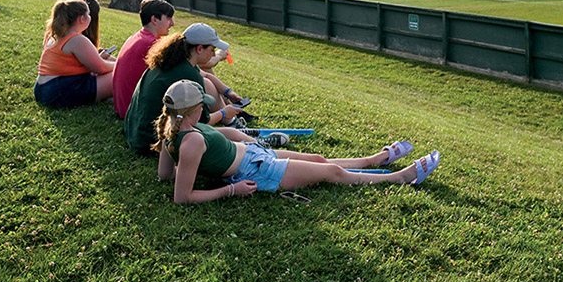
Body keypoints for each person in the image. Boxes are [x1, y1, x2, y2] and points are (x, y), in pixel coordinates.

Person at [155, 80, 440, 203]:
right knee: (332, 172)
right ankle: (400, 178)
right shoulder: (189, 141)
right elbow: (182, 197)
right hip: (256, 172)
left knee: (318, 160)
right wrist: (230, 191)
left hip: (255, 154)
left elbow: (164, 175)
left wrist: (234, 139)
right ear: (192, 110)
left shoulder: (173, 126)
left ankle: (375, 160)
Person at [124, 23, 247, 155]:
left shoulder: (172, 60)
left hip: (134, 132)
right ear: (199, 49)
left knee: (208, 85)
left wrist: (228, 92)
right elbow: (202, 122)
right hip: (152, 142)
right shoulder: (189, 76)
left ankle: (239, 132)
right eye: (212, 50)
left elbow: (205, 75)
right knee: (220, 137)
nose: (213, 55)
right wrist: (223, 113)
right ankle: (249, 142)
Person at [34, 0, 116, 108]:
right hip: (57, 93)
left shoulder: (55, 36)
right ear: (82, 19)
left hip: (42, 89)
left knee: (110, 67)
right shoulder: (76, 39)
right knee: (119, 74)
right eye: (88, 14)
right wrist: (121, 64)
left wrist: (100, 58)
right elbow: (101, 68)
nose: (90, 17)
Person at [112, 0, 176, 119]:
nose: (172, 24)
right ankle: (222, 114)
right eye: (168, 19)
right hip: (135, 112)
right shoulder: (152, 44)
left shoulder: (137, 37)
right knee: (201, 80)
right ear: (154, 19)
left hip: (125, 107)